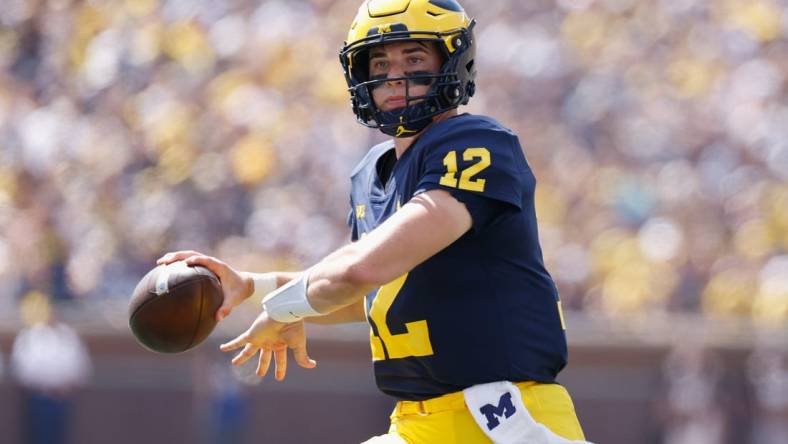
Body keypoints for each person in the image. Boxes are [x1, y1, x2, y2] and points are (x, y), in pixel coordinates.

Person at [159, 0, 588, 442]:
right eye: (380, 62)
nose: (394, 77)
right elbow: (374, 293)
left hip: (503, 420)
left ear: (455, 61)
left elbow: (362, 270)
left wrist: (283, 307)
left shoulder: (474, 141)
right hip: (416, 424)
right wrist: (253, 286)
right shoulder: (372, 171)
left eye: (414, 59)